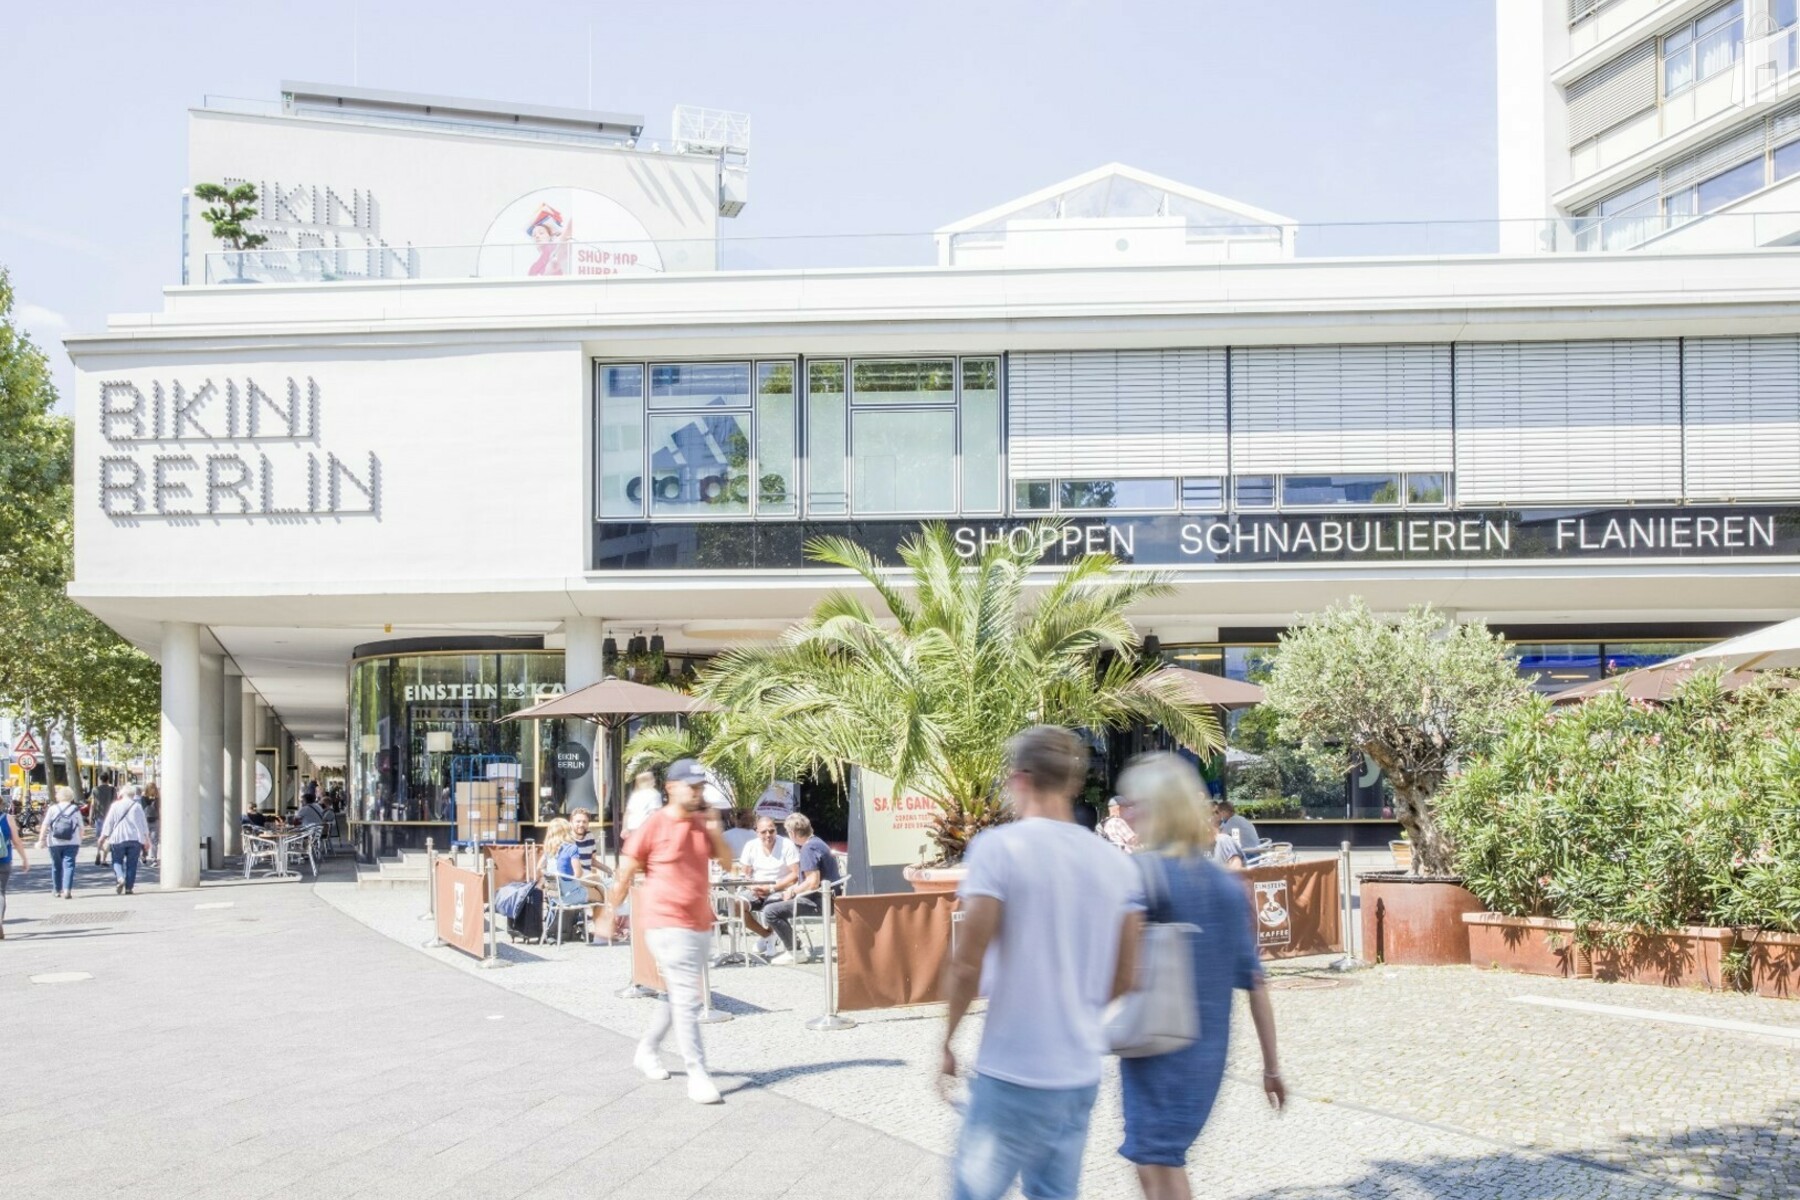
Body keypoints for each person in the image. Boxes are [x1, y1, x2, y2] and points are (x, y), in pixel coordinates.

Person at [941, 726, 1143, 1200]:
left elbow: (967, 963)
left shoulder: (998, 849)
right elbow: (1126, 976)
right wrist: (1074, 1011)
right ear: (1073, 782)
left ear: (1020, 780)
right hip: (1078, 1073)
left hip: (1013, 1070)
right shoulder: (1117, 865)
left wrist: (946, 1040)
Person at [1114, 754, 1284, 1199]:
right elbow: (1255, 983)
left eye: (1132, 803)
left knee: (1157, 1162)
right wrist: (1271, 1067)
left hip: (1155, 1046)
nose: (1126, 813)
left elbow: (1120, 973)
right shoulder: (1226, 885)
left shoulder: (1144, 873)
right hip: (1206, 1056)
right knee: (1156, 1161)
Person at [597, 758, 733, 1104]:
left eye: (701, 787)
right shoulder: (654, 825)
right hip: (666, 922)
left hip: (699, 922)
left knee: (678, 995)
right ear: (671, 788)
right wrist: (610, 912)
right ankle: (697, 1074)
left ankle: (647, 1049)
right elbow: (625, 872)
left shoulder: (702, 823)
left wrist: (715, 829)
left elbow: (727, 862)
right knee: (687, 997)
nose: (698, 792)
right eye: (692, 786)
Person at [761, 812, 840, 964]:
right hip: (827, 898)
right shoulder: (818, 843)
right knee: (774, 902)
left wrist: (792, 891)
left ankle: (795, 951)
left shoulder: (808, 849)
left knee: (770, 911)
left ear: (792, 833)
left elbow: (813, 881)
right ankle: (791, 945)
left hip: (819, 901)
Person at [733, 815, 799, 948]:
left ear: (776, 830)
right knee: (735, 905)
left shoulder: (786, 844)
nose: (768, 835)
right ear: (757, 832)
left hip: (780, 888)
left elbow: (795, 874)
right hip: (756, 889)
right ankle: (768, 936)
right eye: (763, 832)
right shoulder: (751, 846)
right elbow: (744, 874)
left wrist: (771, 888)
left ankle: (772, 938)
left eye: (771, 831)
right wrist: (752, 886)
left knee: (771, 908)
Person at [97, 784, 153, 895]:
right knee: (132, 864)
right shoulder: (137, 806)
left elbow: (109, 823)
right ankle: (129, 888)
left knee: (117, 861)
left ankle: (120, 877)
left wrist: (102, 837)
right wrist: (147, 839)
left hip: (118, 838)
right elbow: (143, 824)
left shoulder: (115, 806)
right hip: (135, 838)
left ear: (122, 794)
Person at [38, 785, 86, 899]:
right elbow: (81, 827)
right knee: (69, 866)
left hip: (54, 842)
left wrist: (41, 839)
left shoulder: (52, 809)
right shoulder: (75, 809)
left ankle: (57, 890)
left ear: (58, 796)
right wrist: (79, 839)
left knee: (56, 865)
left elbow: (45, 825)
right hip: (72, 842)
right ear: (71, 796)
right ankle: (67, 889)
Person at [0, 797, 30, 939]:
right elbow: (16, 841)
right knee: (1, 892)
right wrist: (24, 859)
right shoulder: (8, 818)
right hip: (4, 860)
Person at [622, 770, 663, 835]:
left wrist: (624, 828)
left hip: (632, 828)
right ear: (648, 781)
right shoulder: (654, 794)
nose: (654, 780)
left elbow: (627, 813)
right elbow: (654, 812)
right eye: (652, 778)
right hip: (646, 829)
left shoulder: (635, 795)